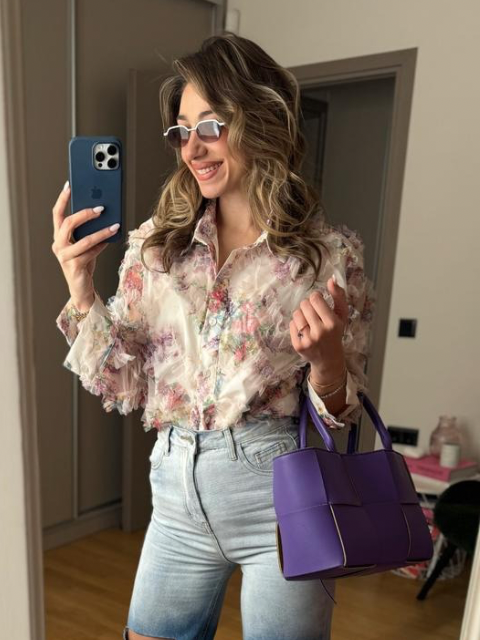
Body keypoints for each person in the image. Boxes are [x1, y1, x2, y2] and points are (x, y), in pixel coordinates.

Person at [52, 32, 376, 640]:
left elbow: (342, 412)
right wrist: (81, 287)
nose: (192, 148)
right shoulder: (156, 247)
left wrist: (328, 362)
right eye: (181, 131)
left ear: (259, 119)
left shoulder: (327, 258)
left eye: (210, 126)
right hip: (175, 492)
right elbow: (123, 384)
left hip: (281, 496)